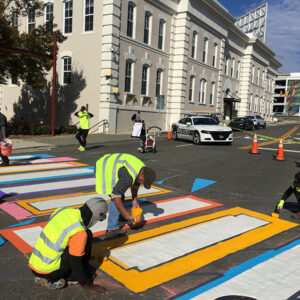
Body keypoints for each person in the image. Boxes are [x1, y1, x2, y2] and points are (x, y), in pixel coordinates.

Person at [29, 197, 108, 295]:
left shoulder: (62, 211)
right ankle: (71, 277)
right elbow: (75, 261)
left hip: (35, 264)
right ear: (95, 216)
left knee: (85, 234)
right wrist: (86, 284)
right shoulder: (79, 232)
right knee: (86, 236)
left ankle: (44, 276)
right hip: (50, 270)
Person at [95, 153, 156, 238]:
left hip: (114, 164)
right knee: (117, 197)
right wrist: (126, 214)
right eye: (143, 181)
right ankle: (112, 229)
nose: (142, 183)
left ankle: (118, 216)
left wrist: (134, 199)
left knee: (119, 195)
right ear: (141, 175)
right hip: (105, 168)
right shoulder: (129, 176)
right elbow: (116, 195)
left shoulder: (143, 170)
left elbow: (136, 183)